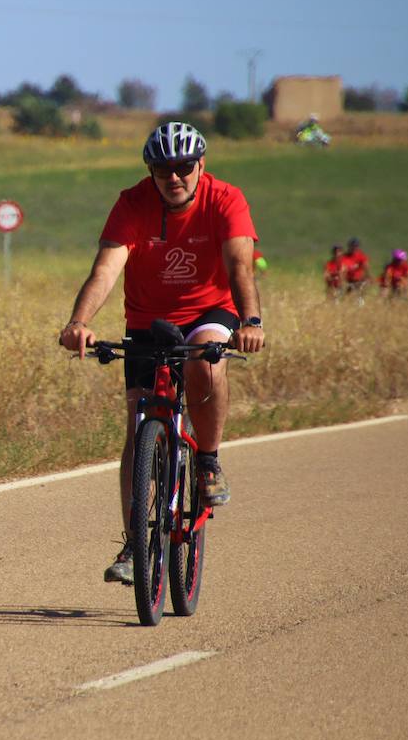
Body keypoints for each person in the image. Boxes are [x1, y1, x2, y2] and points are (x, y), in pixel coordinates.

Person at [58, 122, 264, 585]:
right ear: (150, 171)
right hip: (148, 319)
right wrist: (79, 322)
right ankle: (134, 542)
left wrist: (250, 321)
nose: (174, 177)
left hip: (209, 311)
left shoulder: (226, 199)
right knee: (138, 425)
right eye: (162, 169)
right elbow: (106, 270)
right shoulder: (132, 204)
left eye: (183, 167)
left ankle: (208, 461)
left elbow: (239, 265)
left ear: (200, 166)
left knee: (201, 359)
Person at [343, 237, 370, 303]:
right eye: (353, 246)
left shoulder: (361, 256)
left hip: (359, 281)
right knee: (347, 297)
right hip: (348, 281)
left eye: (356, 246)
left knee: (359, 297)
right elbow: (342, 269)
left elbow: (366, 266)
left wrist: (366, 278)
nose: (354, 248)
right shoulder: (344, 257)